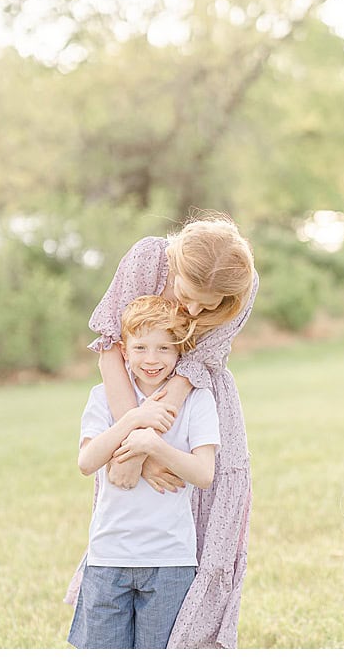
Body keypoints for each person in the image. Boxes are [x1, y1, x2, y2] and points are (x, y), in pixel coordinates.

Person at [66, 214, 257, 649]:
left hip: (196, 395)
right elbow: (111, 349)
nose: (194, 311)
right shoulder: (147, 257)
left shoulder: (242, 283)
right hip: (128, 397)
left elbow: (196, 366)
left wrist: (155, 446)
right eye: (188, 297)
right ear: (174, 265)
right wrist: (137, 450)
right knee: (134, 507)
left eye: (209, 307)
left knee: (204, 527)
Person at [68, 295, 220, 649]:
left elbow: (203, 473)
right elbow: (87, 462)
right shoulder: (103, 397)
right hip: (109, 556)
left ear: (180, 351)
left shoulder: (197, 399)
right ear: (123, 351)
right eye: (140, 347)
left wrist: (155, 447)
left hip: (170, 559)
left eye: (164, 348)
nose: (151, 359)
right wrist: (134, 419)